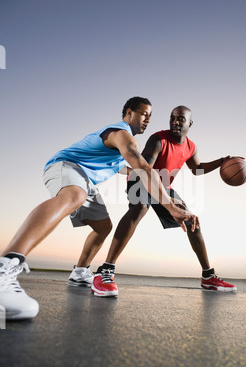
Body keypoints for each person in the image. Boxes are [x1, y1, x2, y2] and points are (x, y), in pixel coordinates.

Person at [0, 97, 198, 320]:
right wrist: (171, 207)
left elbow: (133, 170)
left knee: (103, 227)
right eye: (144, 114)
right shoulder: (121, 133)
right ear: (129, 113)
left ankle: (79, 272)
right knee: (74, 195)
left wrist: (169, 195)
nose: (148, 120)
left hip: (85, 179)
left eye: (150, 116)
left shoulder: (124, 145)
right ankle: (7, 264)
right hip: (65, 166)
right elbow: (143, 168)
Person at [94, 106, 238, 293]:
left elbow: (196, 169)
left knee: (192, 220)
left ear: (190, 123)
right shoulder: (158, 139)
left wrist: (221, 162)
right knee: (140, 209)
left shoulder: (190, 146)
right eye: (172, 118)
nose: (175, 122)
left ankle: (208, 277)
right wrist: (167, 202)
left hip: (164, 187)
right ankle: (107, 269)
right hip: (140, 181)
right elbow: (144, 170)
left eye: (181, 119)